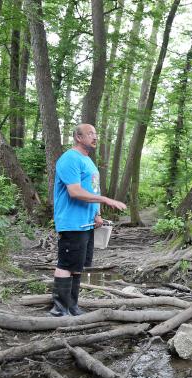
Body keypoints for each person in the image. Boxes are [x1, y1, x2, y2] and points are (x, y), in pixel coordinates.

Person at [50, 124, 127, 317]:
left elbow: (93, 190)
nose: (95, 137)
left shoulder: (88, 161)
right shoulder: (69, 159)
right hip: (71, 221)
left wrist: (97, 214)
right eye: (90, 134)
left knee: (77, 266)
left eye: (95, 133)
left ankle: (72, 306)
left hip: (86, 222)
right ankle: (59, 310)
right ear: (78, 137)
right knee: (65, 264)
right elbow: (75, 192)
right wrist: (106, 200)